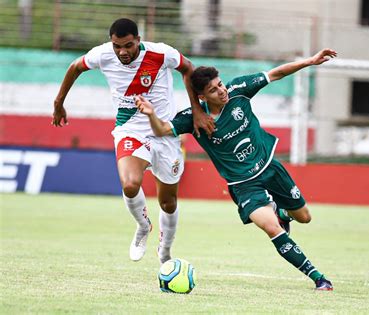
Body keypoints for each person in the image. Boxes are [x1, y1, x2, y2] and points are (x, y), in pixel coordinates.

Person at [135, 48, 338, 290]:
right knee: (271, 228)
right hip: (243, 186)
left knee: (304, 217)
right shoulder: (194, 118)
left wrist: (311, 61)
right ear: (201, 97)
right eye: (213, 90)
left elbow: (276, 74)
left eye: (220, 85)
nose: (221, 91)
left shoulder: (239, 90)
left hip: (270, 167)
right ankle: (319, 279)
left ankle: (281, 212)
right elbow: (162, 130)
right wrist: (150, 115)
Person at [52, 18, 214, 262]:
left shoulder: (161, 53)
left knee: (168, 203)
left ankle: (166, 250)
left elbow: (189, 69)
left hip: (165, 132)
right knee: (130, 184)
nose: (122, 52)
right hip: (130, 131)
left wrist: (198, 109)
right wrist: (58, 102)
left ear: (138, 40)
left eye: (128, 45)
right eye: (117, 46)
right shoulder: (103, 55)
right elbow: (75, 66)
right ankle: (143, 226)